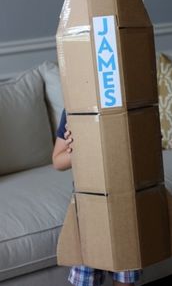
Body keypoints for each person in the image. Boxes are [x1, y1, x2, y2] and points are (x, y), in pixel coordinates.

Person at [52, 109, 142, 286]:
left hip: (124, 204)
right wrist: (76, 149)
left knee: (125, 274)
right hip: (89, 208)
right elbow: (58, 161)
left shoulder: (128, 101)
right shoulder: (75, 108)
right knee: (86, 276)